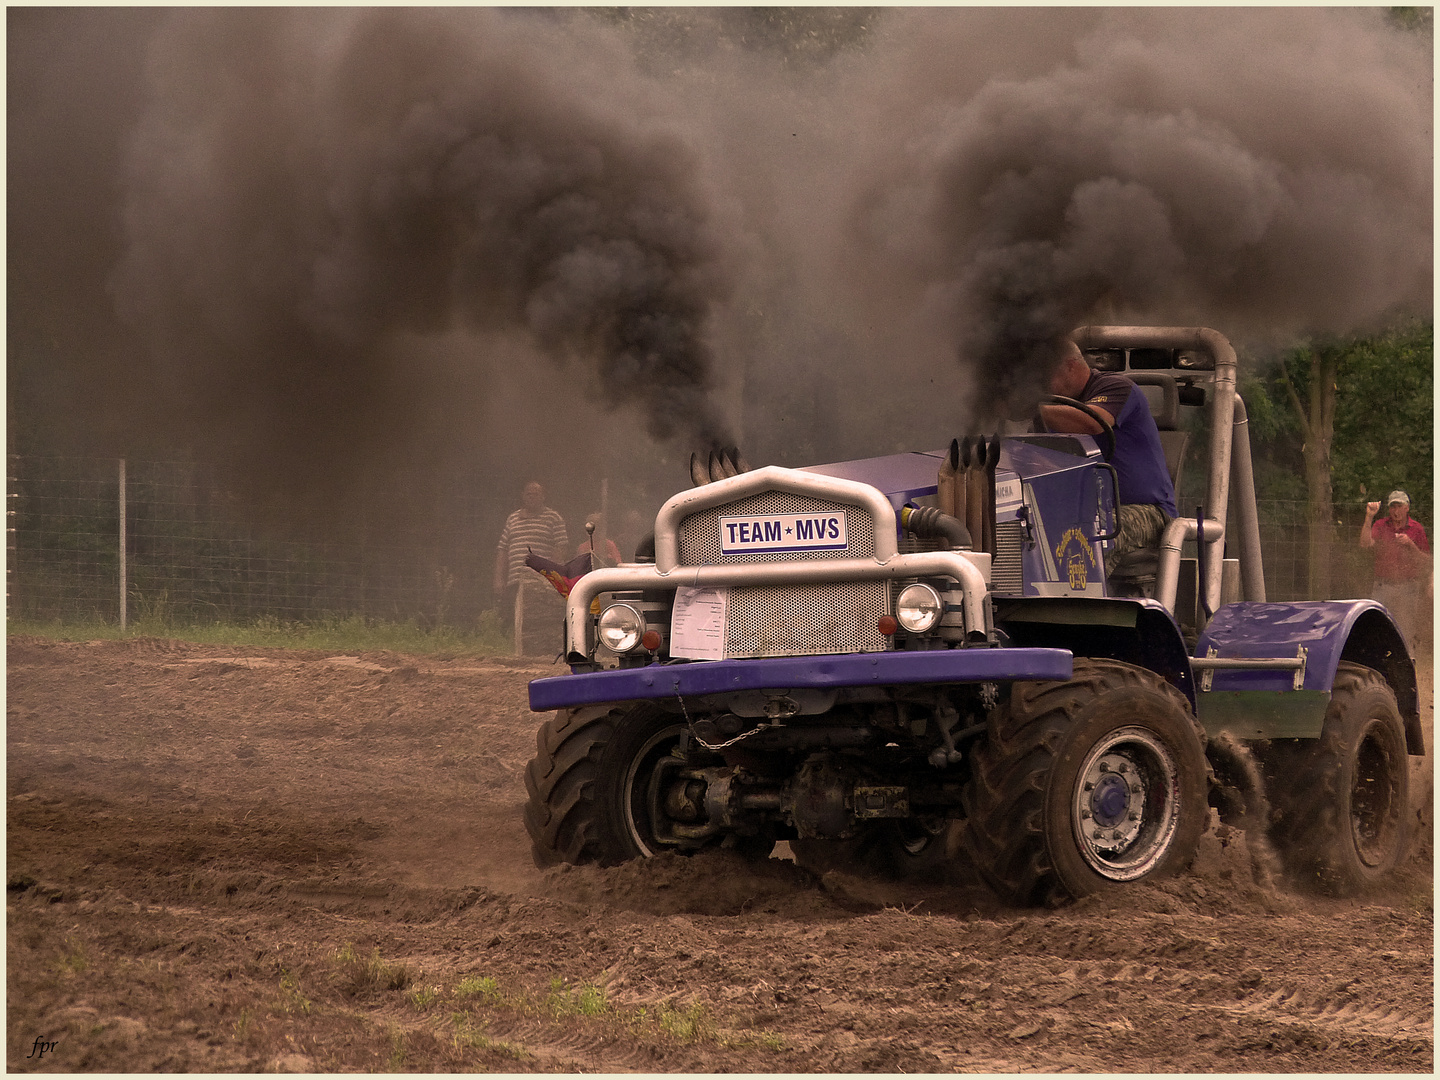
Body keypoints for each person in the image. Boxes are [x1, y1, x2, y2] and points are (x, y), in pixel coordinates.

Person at [1039, 339, 1178, 562]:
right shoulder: (1052, 410)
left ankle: (1083, 597)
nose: (1041, 387)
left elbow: (1094, 422)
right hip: (1083, 512)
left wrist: (1033, 408)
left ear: (1070, 366)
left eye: (1044, 377)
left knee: (1088, 538)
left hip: (1147, 512)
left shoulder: (1116, 387)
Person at [494, 482, 568, 650]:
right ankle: (512, 650)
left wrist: (550, 575)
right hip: (515, 579)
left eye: (536, 494)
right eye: (529, 494)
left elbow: (561, 547)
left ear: (543, 497)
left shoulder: (553, 518)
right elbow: (502, 550)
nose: (532, 497)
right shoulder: (513, 518)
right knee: (513, 618)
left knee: (539, 621)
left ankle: (539, 651)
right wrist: (498, 579)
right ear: (523, 496)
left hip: (540, 582)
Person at [1360, 490, 1431, 651]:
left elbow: (1426, 561)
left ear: (1407, 508)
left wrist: (1410, 545)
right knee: (1375, 626)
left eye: (1399, 506)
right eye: (1393, 507)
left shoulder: (1416, 529)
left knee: (1406, 630)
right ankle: (1376, 665)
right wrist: (1369, 516)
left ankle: (1407, 665)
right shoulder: (1380, 525)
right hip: (1382, 586)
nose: (1396, 511)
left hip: (1408, 588)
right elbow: (1365, 544)